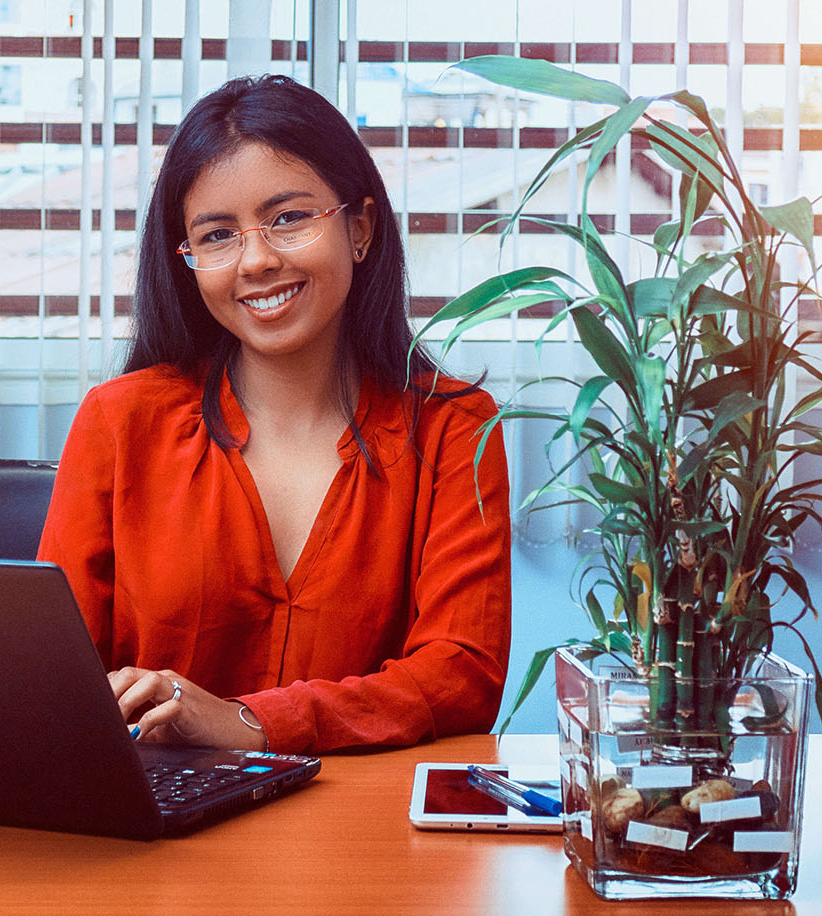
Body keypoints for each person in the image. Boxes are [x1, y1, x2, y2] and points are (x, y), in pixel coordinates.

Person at [36, 74, 511, 755]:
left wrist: (250, 722)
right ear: (189, 259)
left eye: (288, 218)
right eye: (218, 234)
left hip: (368, 836)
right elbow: (55, 678)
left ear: (359, 228)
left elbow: (462, 675)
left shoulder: (455, 427)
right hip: (157, 832)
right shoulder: (120, 422)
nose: (256, 261)